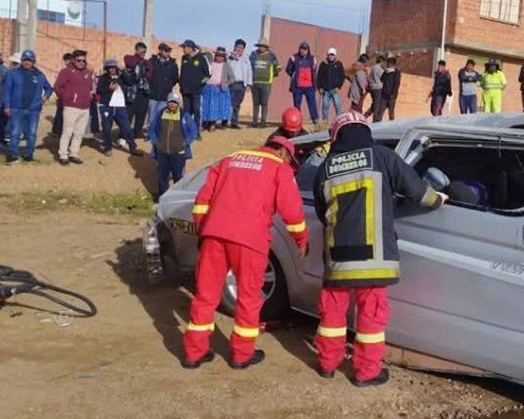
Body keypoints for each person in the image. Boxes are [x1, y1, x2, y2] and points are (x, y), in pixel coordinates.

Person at [313, 111, 446, 386]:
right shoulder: (381, 156)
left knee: (332, 314)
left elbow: (320, 211)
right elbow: (418, 192)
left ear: (336, 135)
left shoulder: (326, 167)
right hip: (373, 258)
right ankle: (366, 372)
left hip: (337, 257)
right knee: (371, 318)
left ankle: (327, 364)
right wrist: (438, 200)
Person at [184, 135, 309, 370]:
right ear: (282, 152)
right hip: (250, 240)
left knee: (205, 295)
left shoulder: (229, 159)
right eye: (290, 160)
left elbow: (202, 200)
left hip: (215, 235)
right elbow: (292, 211)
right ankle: (242, 355)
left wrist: (204, 229)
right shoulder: (279, 169)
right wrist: (301, 239)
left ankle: (194, 352)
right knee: (249, 298)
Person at [3, 50, 53, 164]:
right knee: (15, 133)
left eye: (29, 60)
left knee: (31, 133)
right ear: (21, 61)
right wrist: (7, 106)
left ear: (34, 61)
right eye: (25, 60)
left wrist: (44, 98)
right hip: (16, 109)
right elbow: (7, 90)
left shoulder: (39, 75)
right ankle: (13, 155)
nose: (27, 62)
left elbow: (49, 88)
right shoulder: (13, 73)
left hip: (33, 110)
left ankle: (28, 155)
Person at [149, 92, 198, 200]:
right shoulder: (161, 113)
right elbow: (152, 128)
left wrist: (186, 142)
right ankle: (162, 198)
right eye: (171, 101)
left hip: (178, 153)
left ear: (179, 104)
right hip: (162, 152)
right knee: (162, 177)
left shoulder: (184, 115)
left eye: (175, 102)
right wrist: (155, 141)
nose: (172, 104)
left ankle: (177, 199)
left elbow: (193, 130)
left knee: (178, 177)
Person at [54, 49, 94, 165]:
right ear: (73, 60)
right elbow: (57, 87)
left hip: (85, 107)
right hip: (71, 107)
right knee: (67, 132)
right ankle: (63, 155)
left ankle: (74, 153)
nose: (81, 62)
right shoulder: (66, 72)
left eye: (83, 60)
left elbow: (90, 87)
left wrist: (89, 96)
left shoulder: (87, 73)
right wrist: (68, 97)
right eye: (78, 60)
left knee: (79, 133)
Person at [97, 59, 143, 157]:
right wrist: (109, 89)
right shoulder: (103, 78)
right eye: (110, 67)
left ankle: (133, 147)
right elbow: (99, 90)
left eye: (114, 67)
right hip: (107, 105)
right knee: (106, 127)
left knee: (126, 127)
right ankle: (107, 147)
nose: (112, 69)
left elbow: (131, 81)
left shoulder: (121, 77)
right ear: (107, 68)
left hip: (120, 106)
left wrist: (124, 71)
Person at [179, 39, 211, 139]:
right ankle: (186, 130)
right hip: (185, 90)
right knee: (186, 111)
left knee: (197, 111)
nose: (183, 49)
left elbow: (208, 74)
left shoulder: (201, 58)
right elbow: (182, 72)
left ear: (190, 48)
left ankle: (197, 131)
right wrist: (181, 83)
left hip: (196, 91)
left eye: (184, 47)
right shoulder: (184, 58)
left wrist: (200, 84)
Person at [123, 42, 152, 139]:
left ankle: (137, 132)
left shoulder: (146, 62)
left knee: (141, 114)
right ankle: (124, 134)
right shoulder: (129, 57)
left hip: (143, 93)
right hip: (132, 92)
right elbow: (130, 62)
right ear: (136, 50)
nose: (144, 52)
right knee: (129, 114)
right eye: (142, 50)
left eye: (145, 51)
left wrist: (141, 68)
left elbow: (149, 73)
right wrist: (140, 66)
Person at [201, 47, 235, 132]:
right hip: (209, 88)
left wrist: (226, 84)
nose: (219, 57)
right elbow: (205, 74)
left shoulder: (226, 66)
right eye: (218, 55)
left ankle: (213, 124)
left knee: (216, 108)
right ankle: (205, 124)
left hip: (220, 89)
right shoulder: (210, 64)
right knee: (207, 107)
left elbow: (232, 78)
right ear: (215, 56)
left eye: (222, 56)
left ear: (224, 57)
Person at [249, 38, 281, 128]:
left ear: (266, 47)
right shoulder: (253, 55)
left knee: (264, 103)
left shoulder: (271, 56)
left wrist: (272, 75)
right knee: (256, 103)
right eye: (260, 46)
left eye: (263, 46)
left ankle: (263, 122)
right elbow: (249, 67)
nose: (261, 48)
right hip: (255, 82)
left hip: (266, 83)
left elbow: (278, 67)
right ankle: (254, 122)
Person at [286, 41, 319, 126]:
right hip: (298, 86)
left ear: (308, 50)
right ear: (299, 49)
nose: (303, 51)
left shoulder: (312, 59)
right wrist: (294, 76)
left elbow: (314, 70)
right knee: (297, 104)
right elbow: (288, 69)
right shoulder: (294, 58)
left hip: (309, 86)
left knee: (312, 103)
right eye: (302, 48)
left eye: (305, 49)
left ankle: (315, 119)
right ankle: (297, 120)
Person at [148, 43, 179, 126]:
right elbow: (148, 75)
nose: (168, 53)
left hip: (165, 95)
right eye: (166, 51)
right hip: (153, 94)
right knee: (151, 115)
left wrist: (168, 85)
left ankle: (158, 133)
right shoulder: (152, 62)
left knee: (160, 115)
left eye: (169, 51)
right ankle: (150, 134)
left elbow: (175, 78)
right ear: (160, 51)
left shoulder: (172, 64)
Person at [226, 39, 252, 129]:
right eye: (238, 47)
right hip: (231, 83)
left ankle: (234, 122)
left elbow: (249, 71)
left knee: (237, 104)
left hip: (242, 84)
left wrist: (249, 84)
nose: (239, 49)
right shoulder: (230, 57)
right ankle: (224, 121)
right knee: (229, 103)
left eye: (241, 47)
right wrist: (232, 57)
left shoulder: (246, 58)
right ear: (235, 47)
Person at [316, 47, 345, 124]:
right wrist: (320, 87)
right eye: (330, 55)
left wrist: (339, 86)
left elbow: (342, 76)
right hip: (325, 90)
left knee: (337, 105)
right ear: (327, 55)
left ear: (335, 56)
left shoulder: (338, 64)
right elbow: (319, 76)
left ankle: (339, 121)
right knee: (325, 107)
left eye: (332, 55)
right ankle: (325, 122)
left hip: (334, 90)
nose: (331, 56)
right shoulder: (323, 64)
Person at [52, 52, 75, 136]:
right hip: (69, 99)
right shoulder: (68, 71)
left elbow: (57, 86)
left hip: (66, 98)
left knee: (62, 116)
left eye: (66, 60)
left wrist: (62, 95)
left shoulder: (66, 71)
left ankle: (59, 131)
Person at [378, 57, 401, 122]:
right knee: (380, 111)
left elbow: (396, 84)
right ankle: (377, 124)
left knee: (391, 112)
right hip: (384, 95)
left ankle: (391, 124)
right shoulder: (386, 72)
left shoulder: (396, 72)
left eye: (388, 63)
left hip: (392, 96)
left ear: (392, 64)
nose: (387, 64)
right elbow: (381, 79)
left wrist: (393, 94)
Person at [364, 55, 385, 119]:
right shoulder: (379, 69)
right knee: (377, 105)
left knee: (374, 104)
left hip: (372, 88)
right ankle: (375, 119)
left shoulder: (372, 68)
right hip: (378, 88)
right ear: (381, 62)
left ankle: (365, 115)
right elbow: (383, 77)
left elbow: (369, 77)